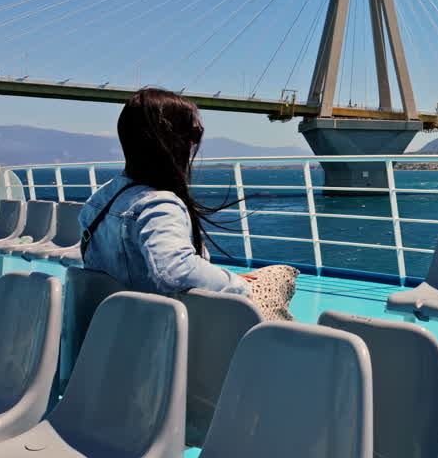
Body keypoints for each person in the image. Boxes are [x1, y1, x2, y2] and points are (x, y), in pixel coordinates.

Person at [79, 87, 297, 319]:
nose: (195, 143)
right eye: (195, 133)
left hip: (105, 326)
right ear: (170, 140)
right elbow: (175, 269)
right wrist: (240, 286)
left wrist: (219, 276)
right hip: (157, 334)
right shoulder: (159, 205)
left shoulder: (100, 199)